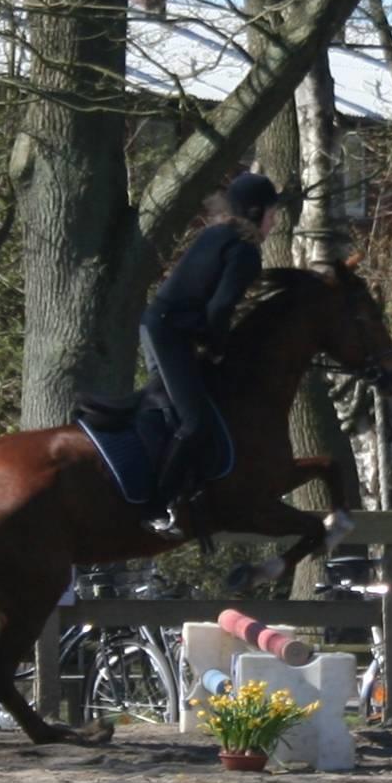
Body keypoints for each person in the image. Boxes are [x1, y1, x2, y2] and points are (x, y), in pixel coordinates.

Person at [139, 171, 279, 537]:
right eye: (272, 214)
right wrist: (218, 349)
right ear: (256, 213)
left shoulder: (216, 234)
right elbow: (220, 309)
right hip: (170, 334)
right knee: (195, 421)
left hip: (160, 326)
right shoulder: (245, 252)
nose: (275, 222)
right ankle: (156, 506)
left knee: (173, 408)